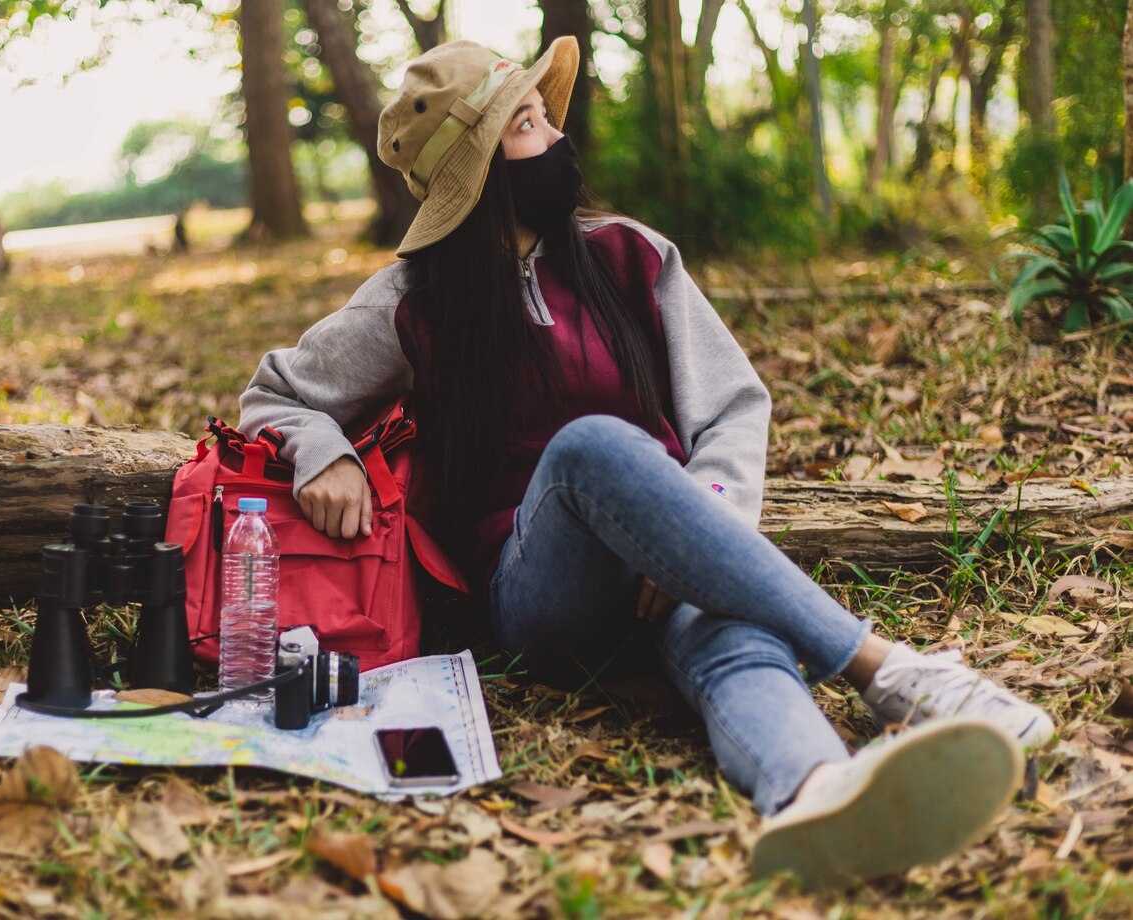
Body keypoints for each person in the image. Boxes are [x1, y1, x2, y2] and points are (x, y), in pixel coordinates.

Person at [237, 36, 1054, 888]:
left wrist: (702, 514)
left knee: (732, 634)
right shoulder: (414, 302)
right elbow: (275, 393)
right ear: (477, 174)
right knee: (593, 445)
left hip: (675, 564)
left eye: (545, 116)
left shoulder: (632, 255)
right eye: (525, 125)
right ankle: (888, 671)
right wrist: (321, 450)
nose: (555, 137)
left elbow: (733, 409)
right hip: (541, 594)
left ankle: (816, 791)